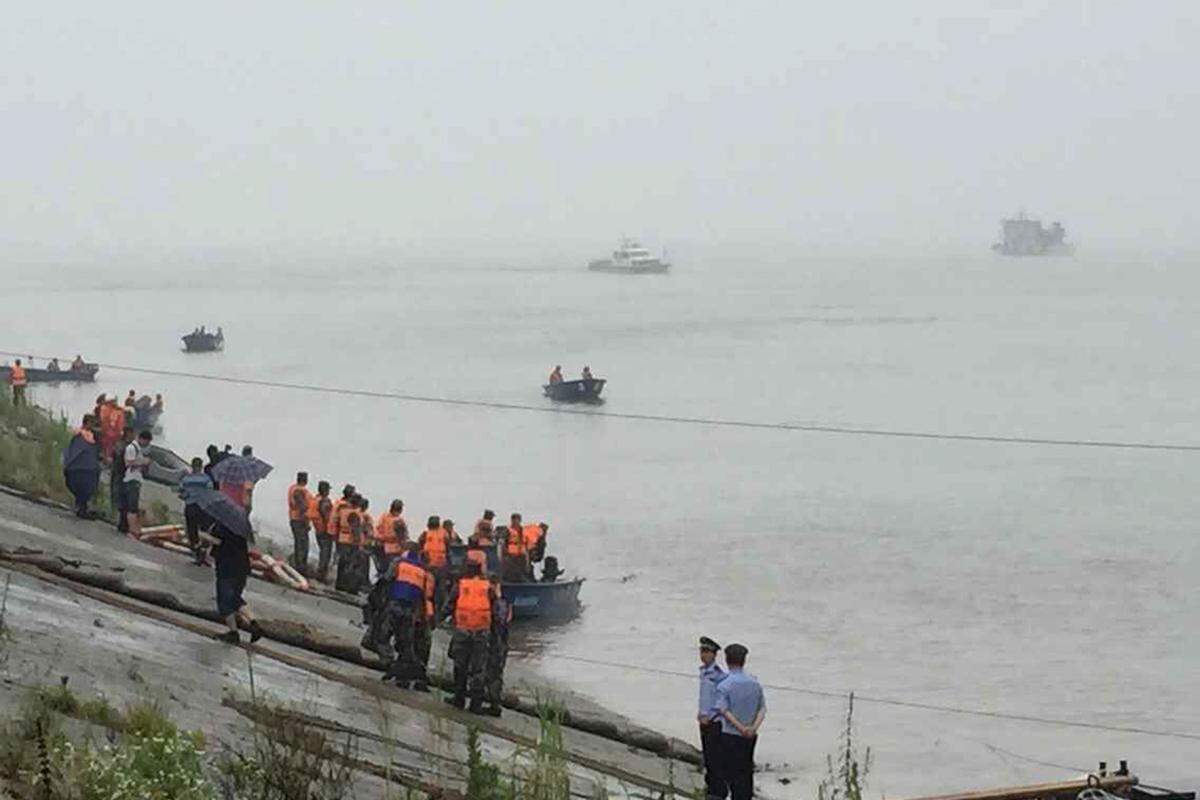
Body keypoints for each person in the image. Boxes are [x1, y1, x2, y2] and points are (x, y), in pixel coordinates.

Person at [442, 559, 496, 713]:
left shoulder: (460, 585)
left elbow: (449, 605)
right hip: (482, 632)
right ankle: (476, 704)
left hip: (463, 630)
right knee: (478, 669)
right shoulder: (488, 587)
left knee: (460, 665)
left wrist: (437, 618)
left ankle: (459, 698)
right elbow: (496, 608)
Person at [714, 643, 766, 800]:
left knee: (730, 773)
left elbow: (724, 710)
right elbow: (762, 710)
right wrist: (752, 728)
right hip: (750, 736)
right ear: (744, 661)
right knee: (746, 773)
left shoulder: (724, 685)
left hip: (731, 734)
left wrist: (740, 728)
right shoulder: (755, 683)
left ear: (727, 661)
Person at [200, 519, 264, 645]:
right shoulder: (239, 525)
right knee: (234, 598)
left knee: (224, 600)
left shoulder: (224, 524)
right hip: (242, 566)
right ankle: (254, 624)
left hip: (228, 566)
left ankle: (233, 633)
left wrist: (202, 535)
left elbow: (219, 541)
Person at [382, 544, 435, 690]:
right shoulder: (426, 575)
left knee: (403, 645)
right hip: (419, 615)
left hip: (412, 613)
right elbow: (428, 598)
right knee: (413, 647)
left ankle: (401, 675)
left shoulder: (404, 567)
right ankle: (412, 679)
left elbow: (388, 582)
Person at [697, 636, 727, 800]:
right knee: (708, 757)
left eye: (707, 651)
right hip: (704, 722)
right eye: (702, 651)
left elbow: (721, 701)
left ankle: (718, 792)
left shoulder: (718, 675)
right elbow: (704, 698)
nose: (703, 655)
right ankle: (711, 789)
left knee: (715, 758)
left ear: (714, 655)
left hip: (714, 722)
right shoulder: (703, 672)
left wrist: (710, 716)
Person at [483, 573, 511, 717]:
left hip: (497, 643)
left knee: (494, 674)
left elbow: (500, 622)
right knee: (487, 672)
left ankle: (495, 705)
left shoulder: (500, 603)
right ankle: (487, 700)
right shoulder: (497, 602)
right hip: (493, 642)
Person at [62, 415, 101, 518]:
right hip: (78, 467)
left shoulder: (93, 436)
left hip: (89, 468)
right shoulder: (78, 435)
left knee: (86, 489)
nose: (93, 425)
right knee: (79, 487)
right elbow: (73, 451)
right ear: (86, 422)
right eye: (91, 423)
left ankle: (82, 508)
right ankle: (81, 507)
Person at [179, 458, 214, 565]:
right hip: (203, 508)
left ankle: (198, 553)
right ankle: (203, 553)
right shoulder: (206, 479)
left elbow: (182, 494)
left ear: (192, 466)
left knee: (192, 533)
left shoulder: (186, 479)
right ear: (201, 466)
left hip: (191, 507)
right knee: (204, 532)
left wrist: (186, 495)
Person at [122, 430, 153, 538]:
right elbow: (129, 463)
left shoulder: (138, 450)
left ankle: (130, 528)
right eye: (146, 442)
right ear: (142, 439)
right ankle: (132, 531)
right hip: (132, 479)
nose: (146, 445)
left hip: (136, 479)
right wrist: (143, 462)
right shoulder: (132, 448)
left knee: (133, 506)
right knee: (132, 506)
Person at [335, 495, 365, 593]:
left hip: (342, 538)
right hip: (350, 542)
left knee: (342, 563)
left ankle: (339, 584)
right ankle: (347, 585)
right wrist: (358, 544)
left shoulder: (343, 511)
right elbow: (355, 529)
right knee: (350, 564)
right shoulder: (354, 514)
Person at [287, 472, 313, 574]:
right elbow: (302, 506)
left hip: (295, 519)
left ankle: (300, 565)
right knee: (302, 544)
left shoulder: (293, 488)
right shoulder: (299, 490)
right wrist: (306, 521)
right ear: (305, 479)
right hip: (299, 520)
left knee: (300, 543)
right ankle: (300, 567)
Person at [374, 499, 408, 576]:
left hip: (383, 546)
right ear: (400, 509)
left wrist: (379, 538)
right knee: (391, 571)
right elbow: (403, 537)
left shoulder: (384, 516)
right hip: (393, 549)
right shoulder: (399, 521)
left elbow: (377, 530)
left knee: (383, 569)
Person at [109, 428, 134, 531]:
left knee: (124, 499)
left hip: (121, 474)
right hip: (122, 475)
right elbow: (120, 459)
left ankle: (123, 522)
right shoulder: (124, 446)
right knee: (123, 498)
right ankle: (123, 522)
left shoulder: (121, 445)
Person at [310, 480, 335, 581]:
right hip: (324, 530)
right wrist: (330, 528)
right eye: (328, 489)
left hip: (318, 529)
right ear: (325, 490)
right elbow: (326, 515)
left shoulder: (316, 499)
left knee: (323, 551)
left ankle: (321, 572)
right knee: (326, 553)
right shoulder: (324, 501)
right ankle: (321, 574)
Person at [501, 513, 528, 582]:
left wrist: (527, 555)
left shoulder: (524, 530)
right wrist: (505, 553)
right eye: (514, 519)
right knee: (511, 570)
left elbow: (527, 543)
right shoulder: (507, 530)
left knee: (522, 569)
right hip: (511, 554)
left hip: (522, 554)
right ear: (512, 520)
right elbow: (503, 543)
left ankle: (522, 579)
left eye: (518, 519)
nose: (516, 521)